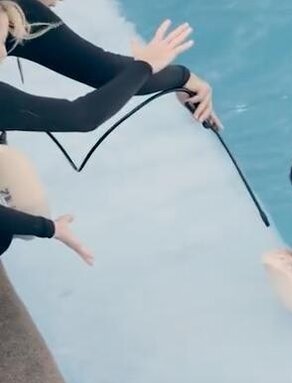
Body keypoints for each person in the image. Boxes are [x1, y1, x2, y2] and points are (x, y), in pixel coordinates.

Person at [0, 0, 222, 264]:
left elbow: (105, 71)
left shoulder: (16, 13)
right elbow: (81, 116)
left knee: (24, 208)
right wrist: (48, 228)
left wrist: (182, 78)